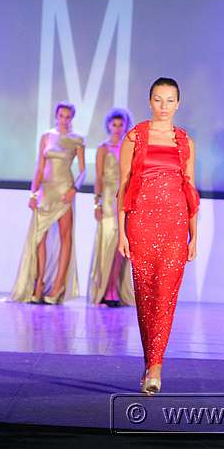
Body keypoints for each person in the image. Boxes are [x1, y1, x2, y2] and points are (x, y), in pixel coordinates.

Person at [117, 77, 199, 394]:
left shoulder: (185, 141)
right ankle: (150, 361)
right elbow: (123, 185)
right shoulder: (135, 137)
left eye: (170, 100)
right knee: (145, 295)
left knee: (166, 295)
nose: (163, 106)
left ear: (178, 104)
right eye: (158, 99)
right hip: (141, 221)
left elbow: (190, 188)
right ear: (150, 101)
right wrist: (122, 231)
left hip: (175, 223)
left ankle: (155, 367)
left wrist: (194, 234)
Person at [10, 101, 86, 305]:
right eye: (61, 116)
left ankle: (58, 285)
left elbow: (83, 171)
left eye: (68, 117)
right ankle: (39, 284)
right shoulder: (46, 136)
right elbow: (39, 167)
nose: (64, 120)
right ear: (56, 116)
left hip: (64, 191)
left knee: (65, 237)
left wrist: (74, 190)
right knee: (39, 238)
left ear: (72, 118)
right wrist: (33, 193)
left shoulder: (77, 140)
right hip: (46, 190)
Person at [87, 108, 135, 307]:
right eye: (114, 124)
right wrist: (96, 203)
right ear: (108, 125)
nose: (117, 128)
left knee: (120, 247)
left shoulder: (130, 147)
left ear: (125, 126)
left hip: (124, 199)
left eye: (120, 124)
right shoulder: (103, 148)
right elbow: (99, 177)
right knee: (108, 246)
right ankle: (106, 290)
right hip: (107, 201)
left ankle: (113, 289)